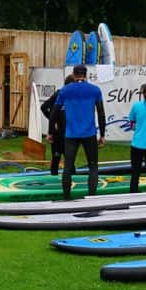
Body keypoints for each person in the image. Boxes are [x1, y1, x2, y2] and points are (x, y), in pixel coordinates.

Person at [54, 65, 106, 199]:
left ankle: (66, 197)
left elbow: (55, 111)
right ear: (86, 75)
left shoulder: (65, 90)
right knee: (93, 166)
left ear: (74, 74)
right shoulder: (95, 90)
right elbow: (101, 112)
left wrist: (49, 132)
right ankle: (91, 197)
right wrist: (103, 134)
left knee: (68, 167)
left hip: (71, 134)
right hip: (89, 133)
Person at [40, 75, 72, 175]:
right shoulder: (58, 94)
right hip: (58, 134)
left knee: (70, 159)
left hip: (69, 134)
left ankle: (71, 180)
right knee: (56, 158)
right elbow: (44, 107)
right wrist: (53, 120)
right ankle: (53, 179)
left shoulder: (73, 97)